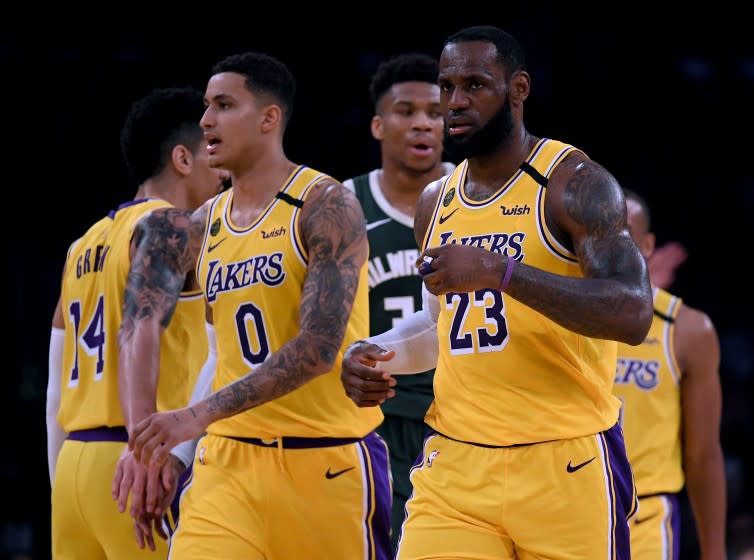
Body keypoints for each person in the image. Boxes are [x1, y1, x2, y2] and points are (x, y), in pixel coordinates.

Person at [340, 25, 654, 559]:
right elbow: (438, 329)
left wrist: (502, 273)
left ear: (518, 89)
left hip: (565, 465)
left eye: (476, 85)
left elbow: (632, 313)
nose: (455, 103)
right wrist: (377, 352)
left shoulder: (572, 182)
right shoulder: (435, 201)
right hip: (457, 467)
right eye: (447, 86)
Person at [122, 52, 391, 559]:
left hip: (326, 465)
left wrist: (192, 416)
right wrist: (147, 447)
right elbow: (151, 327)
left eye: (224, 105)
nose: (205, 121)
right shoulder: (201, 225)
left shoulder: (324, 204)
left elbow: (317, 349)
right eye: (206, 106)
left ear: (269, 118)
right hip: (228, 467)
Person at [46, 86, 228, 558]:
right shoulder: (173, 226)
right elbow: (139, 329)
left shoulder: (82, 245)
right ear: (183, 159)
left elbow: (53, 391)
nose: (224, 171)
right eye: (212, 151)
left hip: (73, 467)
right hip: (137, 460)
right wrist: (144, 452)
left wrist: (63, 488)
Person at [342, 52, 454, 552]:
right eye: (406, 111)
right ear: (378, 125)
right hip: (375, 416)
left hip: (460, 410)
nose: (422, 124)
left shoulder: (475, 195)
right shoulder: (344, 205)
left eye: (434, 111)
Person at [615, 189, 726, 560]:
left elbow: (703, 455)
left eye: (624, 237)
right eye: (600, 235)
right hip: (567, 510)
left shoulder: (686, 329)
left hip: (645, 518)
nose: (611, 247)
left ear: (647, 246)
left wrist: (715, 552)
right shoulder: (558, 315)